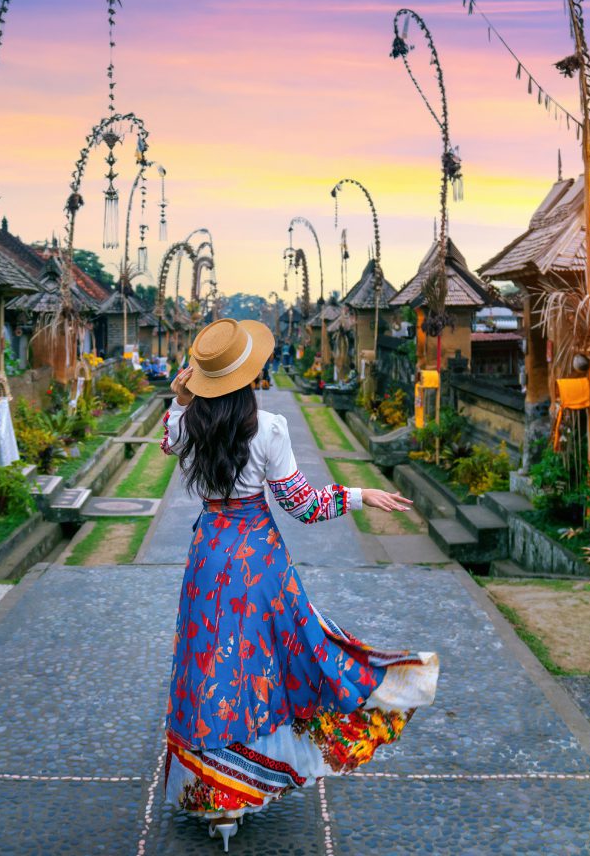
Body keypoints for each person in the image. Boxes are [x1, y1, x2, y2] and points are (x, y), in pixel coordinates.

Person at [160, 319, 438, 851]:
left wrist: (180, 393)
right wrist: (361, 495)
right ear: (249, 373)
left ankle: (218, 803)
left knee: (211, 668)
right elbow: (301, 505)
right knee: (269, 663)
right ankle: (250, 780)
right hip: (260, 564)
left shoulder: (182, 426)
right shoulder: (268, 428)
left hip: (208, 559)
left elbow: (168, 434)